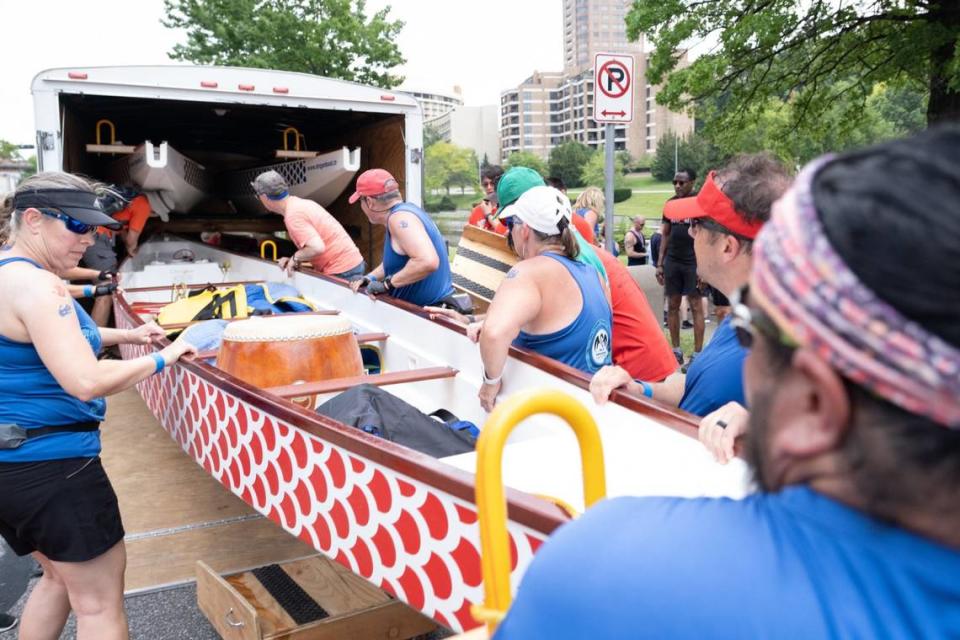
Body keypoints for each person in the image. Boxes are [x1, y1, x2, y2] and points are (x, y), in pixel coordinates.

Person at [494, 127, 960, 639]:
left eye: (751, 325)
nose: (689, 232)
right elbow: (686, 383)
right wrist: (644, 389)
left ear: (816, 405)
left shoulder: (597, 570)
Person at [0, 173, 196, 640]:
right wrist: (167, 355)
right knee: (99, 607)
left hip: (12, 468)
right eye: (76, 226)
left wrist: (127, 334)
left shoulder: (10, 274)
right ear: (32, 220)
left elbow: (49, 337)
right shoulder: (40, 288)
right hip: (53, 468)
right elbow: (85, 381)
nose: (88, 240)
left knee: (57, 580)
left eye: (93, 229)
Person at [591, 153, 792, 417]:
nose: (689, 232)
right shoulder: (747, 314)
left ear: (727, 247)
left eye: (697, 223)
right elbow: (696, 385)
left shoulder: (786, 355)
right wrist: (641, 390)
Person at [477, 185, 612, 411]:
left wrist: (490, 383)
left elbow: (494, 333)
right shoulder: (594, 275)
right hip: (594, 409)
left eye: (511, 225)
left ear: (525, 230)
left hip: (551, 409)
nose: (510, 232)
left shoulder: (527, 272)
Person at [348, 168, 456, 307]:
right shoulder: (406, 211)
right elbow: (397, 264)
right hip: (429, 310)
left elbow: (427, 261)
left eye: (360, 202)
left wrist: (387, 284)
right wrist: (370, 278)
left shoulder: (399, 220)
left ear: (369, 202)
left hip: (430, 315)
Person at [252, 170, 365, 279]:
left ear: (264, 197)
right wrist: (294, 259)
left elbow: (317, 247)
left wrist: (296, 258)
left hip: (342, 269)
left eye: (258, 197)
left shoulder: (293, 215)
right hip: (351, 263)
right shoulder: (300, 204)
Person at [81, 186, 151, 327]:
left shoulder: (130, 200)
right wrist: (132, 250)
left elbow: (122, 231)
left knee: (103, 288)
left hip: (89, 233)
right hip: (96, 238)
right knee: (105, 290)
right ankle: (97, 344)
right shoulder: (144, 205)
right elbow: (131, 240)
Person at [657, 168, 703, 365]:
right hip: (673, 261)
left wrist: (704, 267)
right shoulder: (670, 204)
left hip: (693, 262)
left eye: (682, 182)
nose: (677, 186)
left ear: (692, 182)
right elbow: (665, 234)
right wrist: (660, 263)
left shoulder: (700, 204)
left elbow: (706, 236)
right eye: (675, 182)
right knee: (673, 305)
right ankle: (675, 350)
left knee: (696, 306)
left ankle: (698, 353)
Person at [467, 165, 507, 234]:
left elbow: (507, 235)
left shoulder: (508, 209)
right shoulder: (477, 210)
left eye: (492, 183)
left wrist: (489, 215)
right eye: (485, 184)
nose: (489, 187)